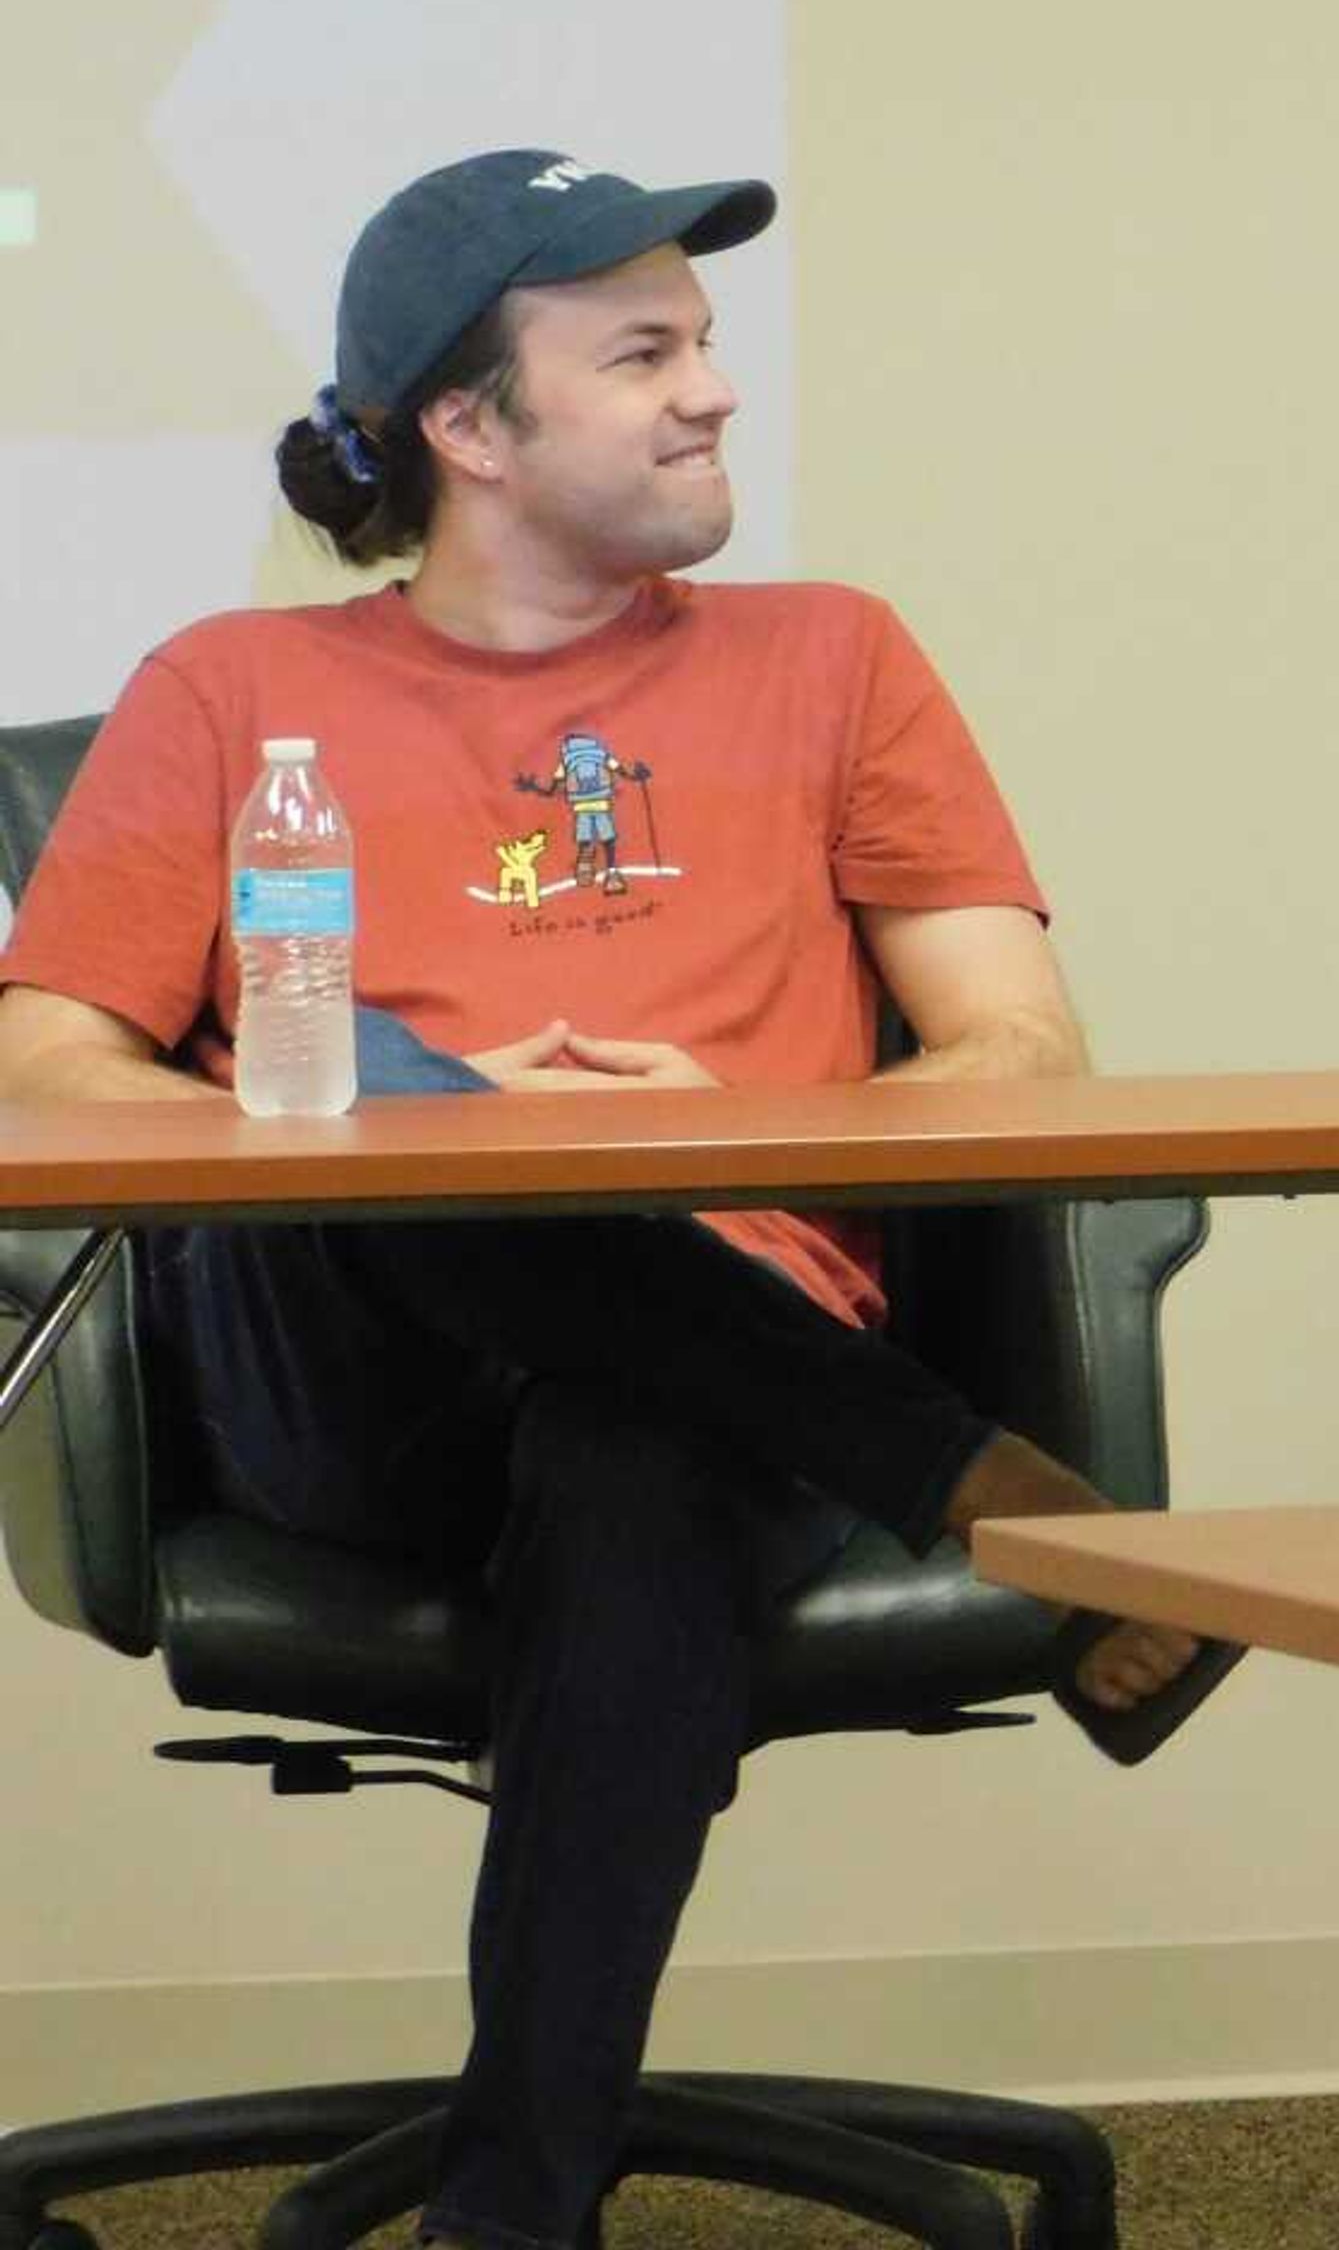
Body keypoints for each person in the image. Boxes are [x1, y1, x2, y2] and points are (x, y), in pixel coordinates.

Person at [0, 151, 1237, 2250]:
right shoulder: (228, 692)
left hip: (730, 1370)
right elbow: (46, 1072)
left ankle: (515, 2213)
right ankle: (1004, 1498)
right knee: (363, 1085)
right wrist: (441, 1115)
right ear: (467, 431)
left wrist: (738, 1132)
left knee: (635, 1433)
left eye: (709, 344)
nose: (715, 395)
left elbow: (1025, 1061)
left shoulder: (837, 659)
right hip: (347, 1378)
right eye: (645, 353)